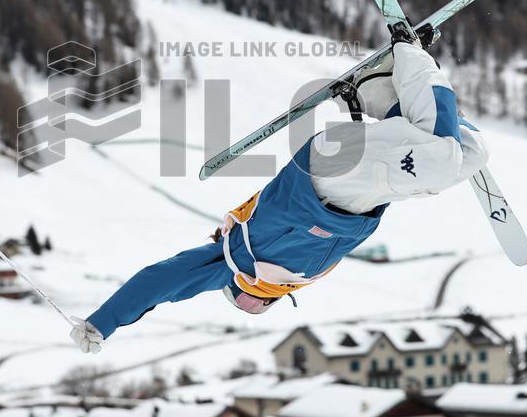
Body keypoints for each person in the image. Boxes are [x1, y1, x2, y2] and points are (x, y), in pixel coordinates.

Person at [70, 24, 488, 353]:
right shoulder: (301, 275)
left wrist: (103, 322)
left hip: (325, 174)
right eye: (259, 307)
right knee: (471, 153)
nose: (256, 300)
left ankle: (409, 54)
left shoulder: (234, 261)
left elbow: (159, 283)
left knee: (440, 155)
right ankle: (379, 90)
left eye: (246, 302)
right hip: (360, 190)